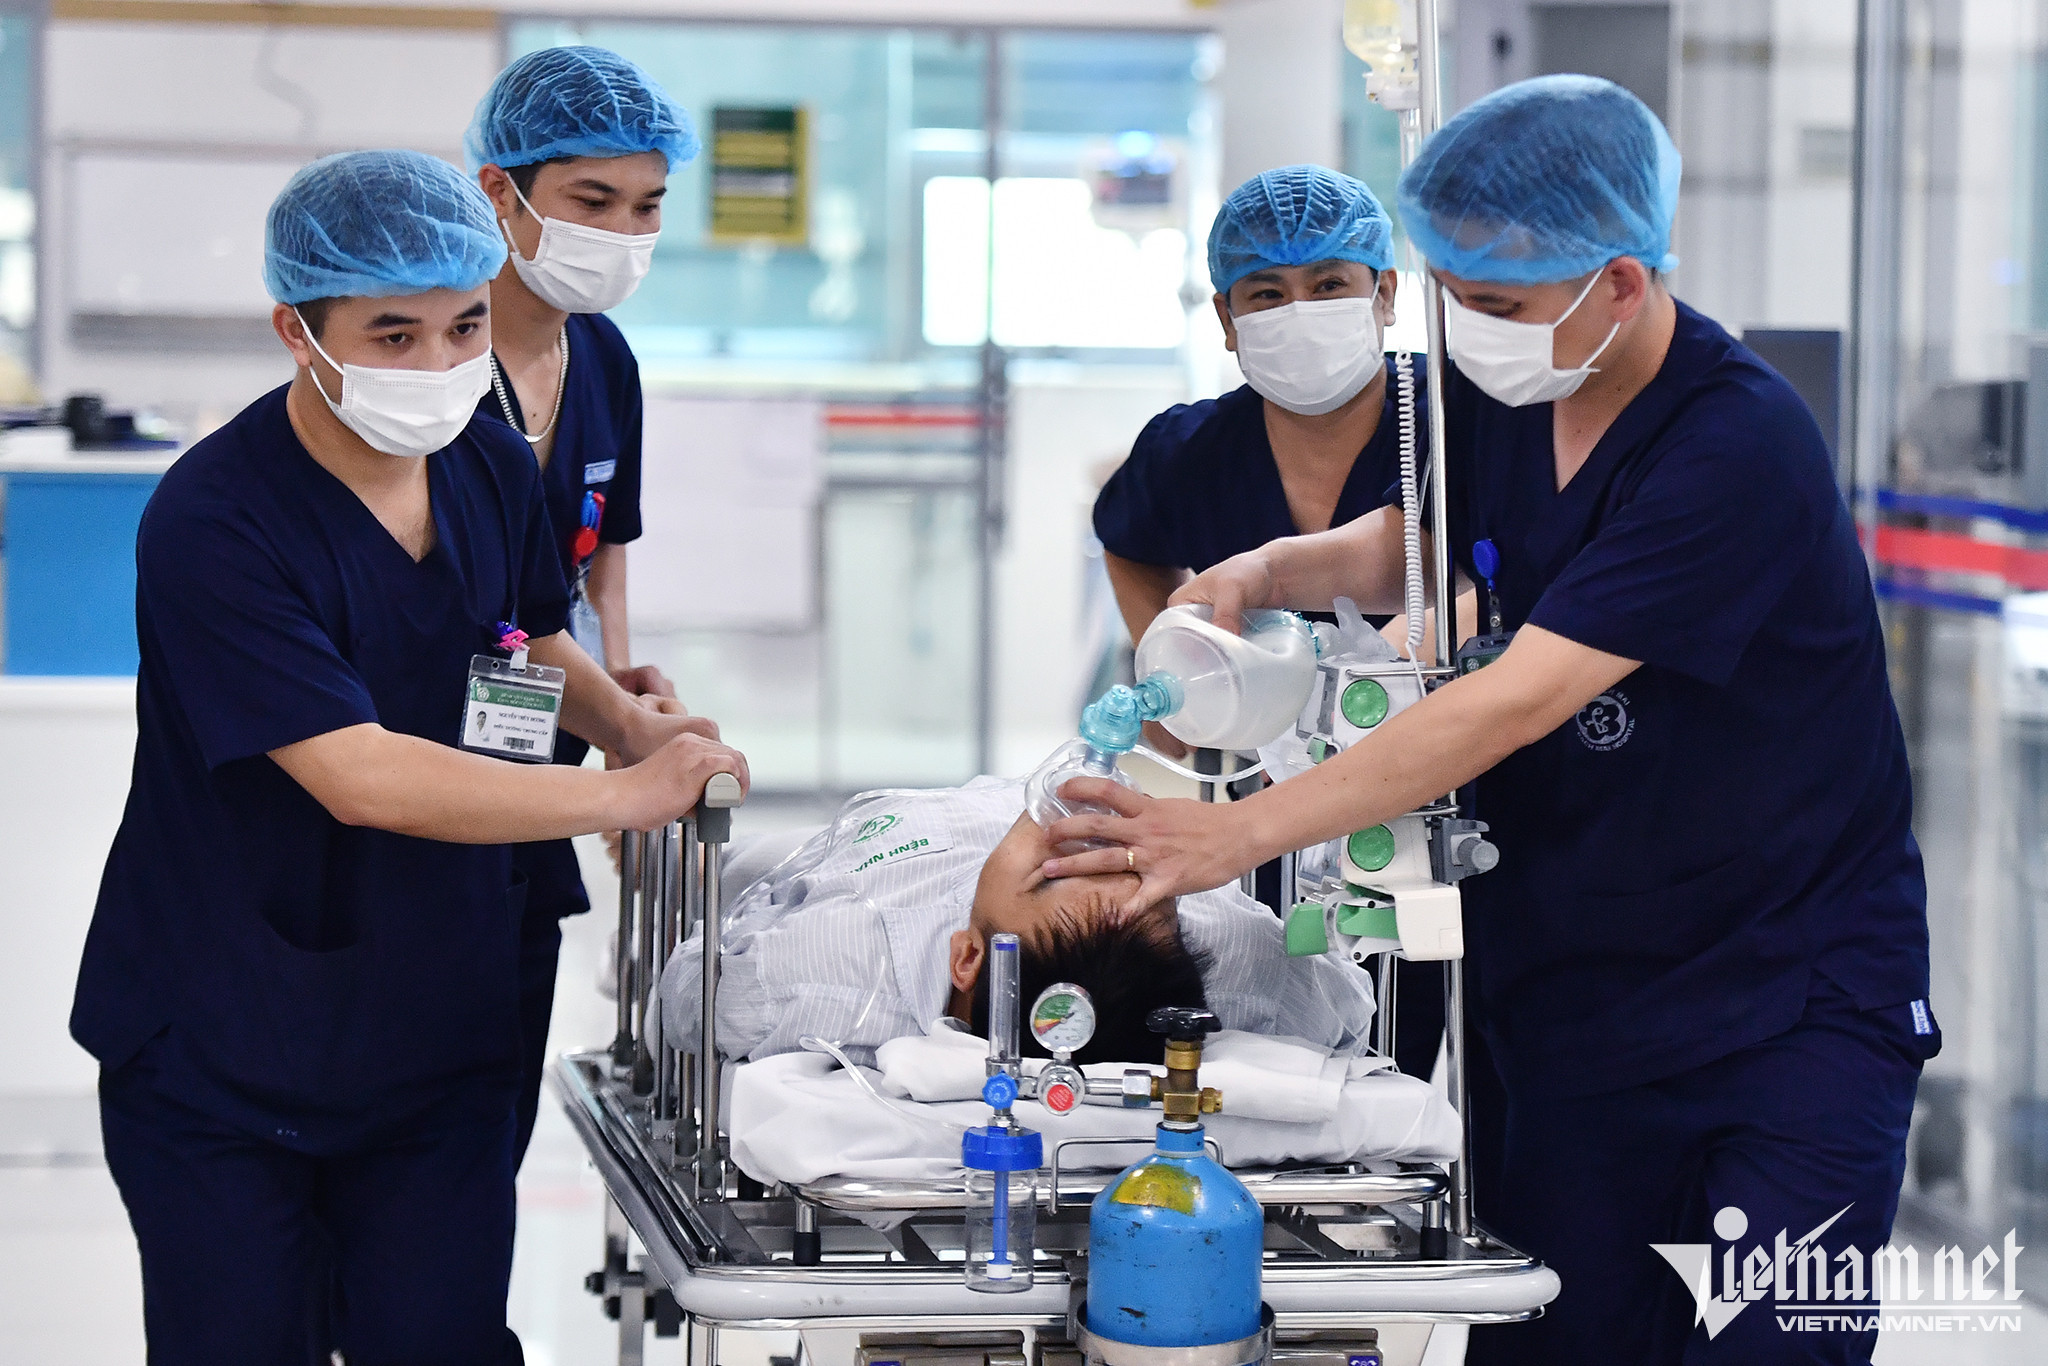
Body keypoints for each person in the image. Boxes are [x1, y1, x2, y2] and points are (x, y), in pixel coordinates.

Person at [1040, 76, 1935, 1366]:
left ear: (1615, 283)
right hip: (1572, 991)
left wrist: (1230, 833)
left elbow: (1518, 697)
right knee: (1550, 1338)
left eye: (1497, 304)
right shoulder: (1500, 398)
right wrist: (1269, 570)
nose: (1463, 328)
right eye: (1450, 293)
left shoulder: (1733, 446)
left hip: (1784, 1002)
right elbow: (1421, 535)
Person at [70, 149, 749, 1365]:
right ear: (298, 331)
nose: (439, 366)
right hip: (230, 1034)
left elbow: (522, 634)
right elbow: (359, 773)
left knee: (439, 1339)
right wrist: (621, 794)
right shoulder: (214, 519)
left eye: (464, 327)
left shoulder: (486, 462)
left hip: (437, 1019)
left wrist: (625, 724)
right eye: (393, 336)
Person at [464, 44, 699, 1166]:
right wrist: (619, 732)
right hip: (429, 737)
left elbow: (596, 556)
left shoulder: (602, 358)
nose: (621, 232)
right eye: (591, 201)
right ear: (500, 192)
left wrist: (618, 697)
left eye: (646, 207)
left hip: (538, 749)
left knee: (496, 1070)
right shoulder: (432, 365)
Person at [658, 777, 1377, 1068]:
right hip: (971, 805)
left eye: (1053, 870)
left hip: (874, 851)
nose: (1085, 837)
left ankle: (675, 865)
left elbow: (687, 995)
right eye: (1130, 873)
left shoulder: (836, 972)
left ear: (967, 958)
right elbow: (1350, 1006)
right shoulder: (1252, 970)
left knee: (729, 871)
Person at [1093, 164, 1414, 763]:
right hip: (1261, 778)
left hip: (1445, 762)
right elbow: (1129, 543)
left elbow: (1499, 566)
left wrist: (1383, 677)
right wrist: (1175, 669)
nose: (1299, 312)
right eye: (1267, 294)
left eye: (1329, 285)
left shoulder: (1452, 420)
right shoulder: (1189, 450)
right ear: (1228, 319)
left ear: (1385, 294)